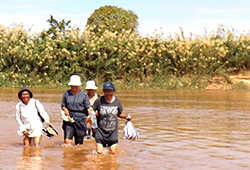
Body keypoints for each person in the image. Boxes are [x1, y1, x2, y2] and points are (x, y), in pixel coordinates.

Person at [92, 82, 131, 154]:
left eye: (110, 91)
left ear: (113, 91)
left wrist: (126, 117)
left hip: (113, 132)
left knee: (112, 153)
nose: (108, 93)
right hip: (100, 131)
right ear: (103, 91)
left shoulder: (117, 101)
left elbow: (119, 114)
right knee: (99, 152)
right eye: (106, 91)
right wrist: (92, 114)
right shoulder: (99, 101)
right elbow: (92, 109)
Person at [61, 75, 92, 145]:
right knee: (67, 141)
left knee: (78, 143)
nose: (74, 88)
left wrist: (90, 118)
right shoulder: (66, 94)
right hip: (69, 119)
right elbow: (63, 105)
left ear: (79, 86)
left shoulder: (84, 95)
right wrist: (65, 110)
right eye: (72, 86)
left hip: (81, 119)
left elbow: (88, 107)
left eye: (76, 86)